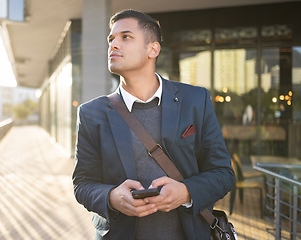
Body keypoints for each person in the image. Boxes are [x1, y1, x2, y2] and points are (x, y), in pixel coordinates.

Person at [73, 9, 235, 240]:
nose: (113, 44)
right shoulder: (90, 113)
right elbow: (82, 184)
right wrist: (111, 197)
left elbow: (222, 173)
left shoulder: (195, 100)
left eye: (125, 37)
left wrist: (186, 192)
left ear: (153, 49)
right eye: (111, 39)